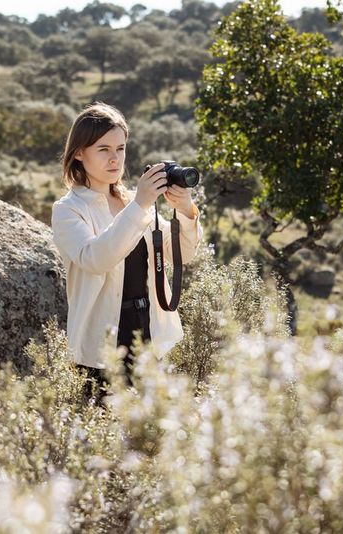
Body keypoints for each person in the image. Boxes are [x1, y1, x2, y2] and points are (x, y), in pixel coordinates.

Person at [51, 102, 203, 402]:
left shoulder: (136, 201)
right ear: (79, 153)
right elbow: (96, 259)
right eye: (103, 149)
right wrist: (140, 206)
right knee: (103, 436)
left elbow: (180, 256)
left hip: (148, 332)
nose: (114, 158)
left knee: (148, 437)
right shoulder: (68, 210)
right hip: (100, 344)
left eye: (120, 148)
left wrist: (185, 211)